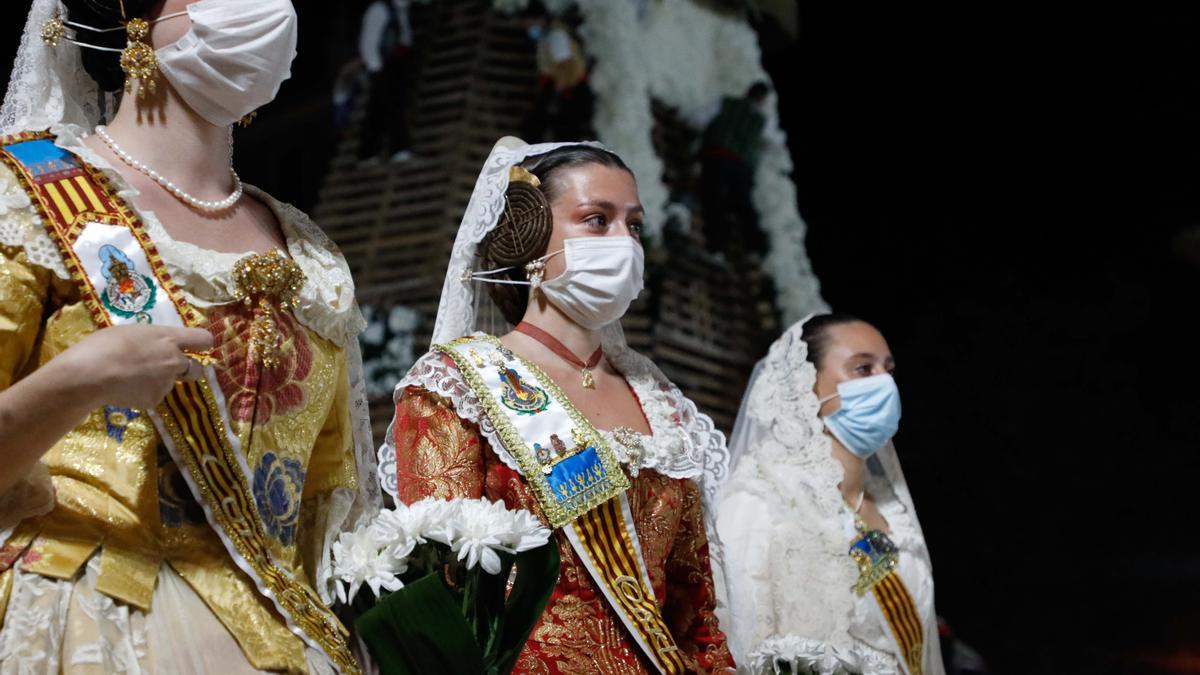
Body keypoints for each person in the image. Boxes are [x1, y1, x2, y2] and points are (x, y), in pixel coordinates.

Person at [0, 0, 379, 672]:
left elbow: (329, 511)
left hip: (284, 641)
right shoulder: (28, 199)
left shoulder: (315, 259)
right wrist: (76, 379)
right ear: (133, 12)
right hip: (93, 621)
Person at [377, 137, 735, 673]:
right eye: (597, 220)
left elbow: (695, 608)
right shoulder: (459, 386)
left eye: (633, 225)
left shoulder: (661, 403)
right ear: (530, 234)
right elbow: (441, 596)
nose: (624, 242)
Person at [714, 314, 945, 675]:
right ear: (804, 386)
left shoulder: (891, 509)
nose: (885, 383)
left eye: (889, 369)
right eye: (863, 369)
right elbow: (736, 649)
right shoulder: (759, 505)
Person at [698, 81, 776, 256]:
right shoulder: (763, 121)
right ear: (763, 99)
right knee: (742, 204)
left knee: (714, 199)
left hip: (716, 157)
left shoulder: (724, 103)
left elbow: (698, 120)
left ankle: (716, 245)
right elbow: (773, 142)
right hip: (740, 166)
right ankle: (757, 246)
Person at [520, 13, 594, 143]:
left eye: (530, 23)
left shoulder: (556, 36)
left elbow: (565, 64)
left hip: (570, 88)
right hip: (563, 87)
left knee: (562, 129)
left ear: (540, 19)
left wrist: (558, 92)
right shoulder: (547, 36)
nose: (528, 27)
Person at [357, 0, 414, 165]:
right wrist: (376, 70)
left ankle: (390, 150)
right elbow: (368, 43)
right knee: (382, 109)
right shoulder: (379, 9)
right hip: (382, 67)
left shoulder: (402, 10)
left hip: (397, 64)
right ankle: (374, 152)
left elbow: (404, 37)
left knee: (392, 107)